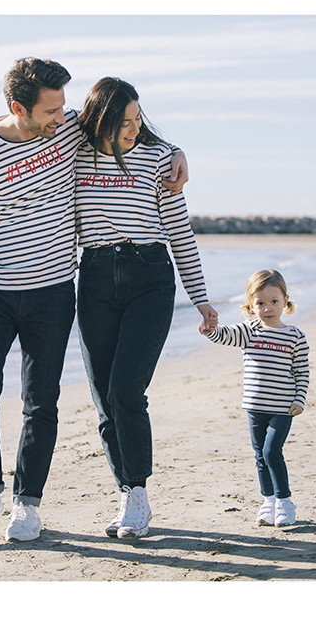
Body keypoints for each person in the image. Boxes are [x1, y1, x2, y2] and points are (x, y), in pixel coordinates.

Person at [0, 59, 188, 543]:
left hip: (54, 290)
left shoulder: (68, 130)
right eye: (51, 110)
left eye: (64, 107)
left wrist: (177, 152)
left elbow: (127, 128)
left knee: (40, 401)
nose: (62, 118)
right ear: (18, 107)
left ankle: (27, 505)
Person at [74, 77, 217, 539]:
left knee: (126, 390)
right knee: (104, 398)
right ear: (101, 122)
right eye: (125, 123)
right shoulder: (74, 155)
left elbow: (179, 231)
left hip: (149, 277)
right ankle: (125, 491)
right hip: (95, 277)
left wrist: (200, 298)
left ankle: (138, 493)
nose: (135, 129)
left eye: (139, 119)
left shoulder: (158, 160)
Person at [199, 269, 309, 527]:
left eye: (274, 301)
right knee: (260, 455)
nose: (267, 308)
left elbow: (302, 371)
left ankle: (284, 501)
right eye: (260, 303)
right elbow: (223, 335)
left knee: (272, 452)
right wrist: (209, 329)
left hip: (283, 407)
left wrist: (300, 399)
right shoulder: (249, 331)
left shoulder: (295, 336)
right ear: (251, 304)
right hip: (255, 406)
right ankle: (268, 501)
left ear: (285, 301)